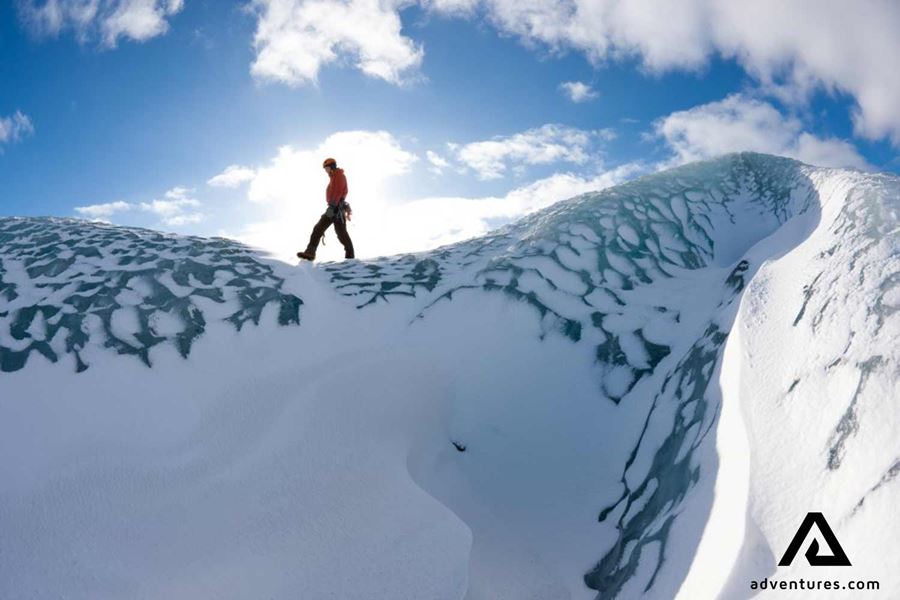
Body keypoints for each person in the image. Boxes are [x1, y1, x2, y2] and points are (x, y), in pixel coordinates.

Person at [297, 158, 355, 261]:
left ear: (332, 166)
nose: (325, 170)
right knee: (337, 232)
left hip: (335, 208)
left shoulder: (339, 175)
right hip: (334, 207)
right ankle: (310, 253)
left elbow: (338, 191)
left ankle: (311, 252)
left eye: (326, 168)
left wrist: (332, 206)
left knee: (324, 229)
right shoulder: (333, 177)